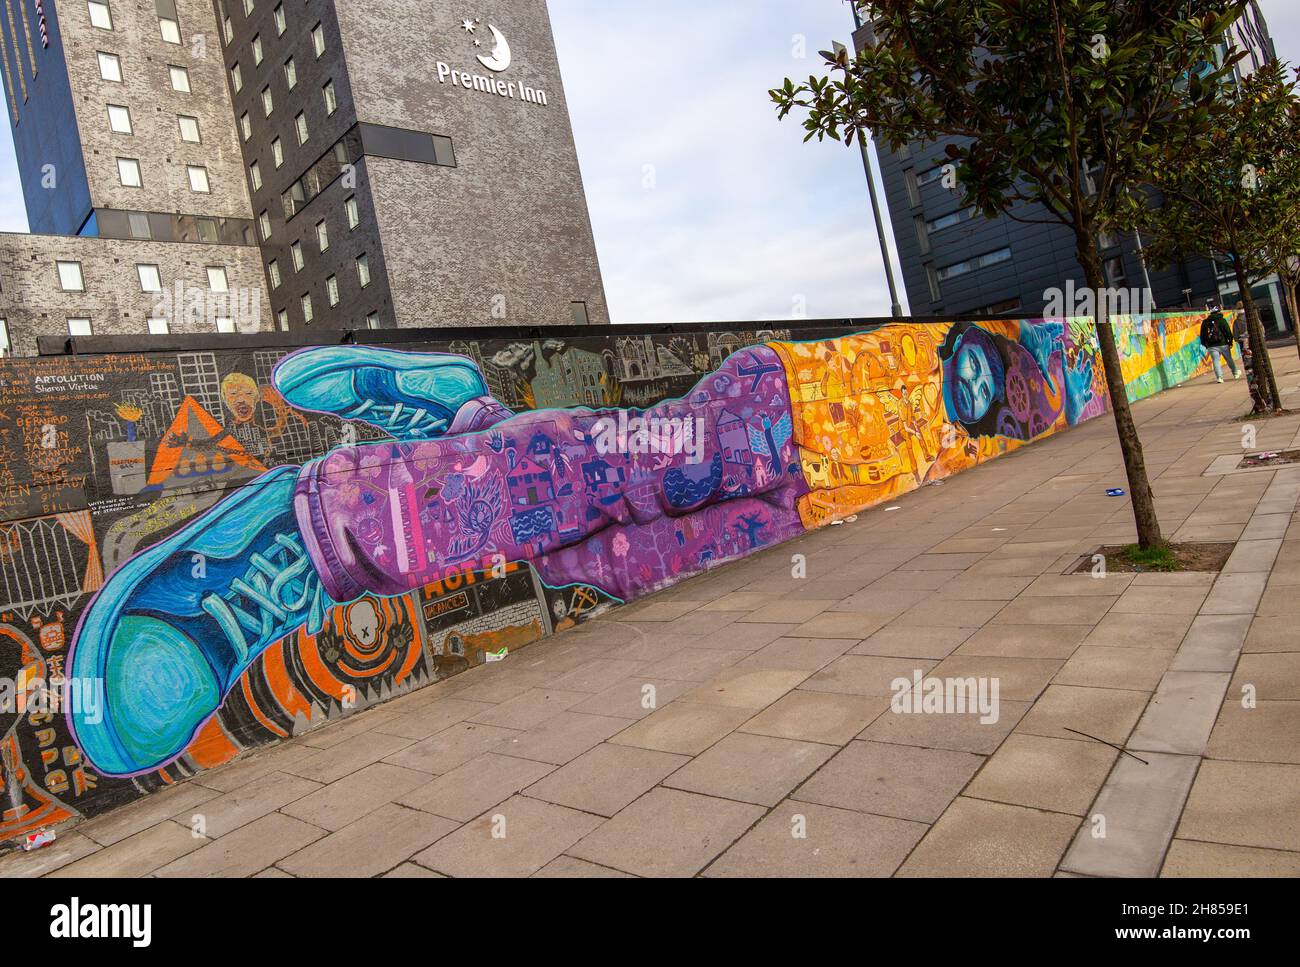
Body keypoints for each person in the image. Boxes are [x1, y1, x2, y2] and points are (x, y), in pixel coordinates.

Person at [1200, 302, 1240, 383]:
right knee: (1229, 359)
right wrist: (1230, 341)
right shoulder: (1222, 320)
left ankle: (1219, 378)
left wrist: (1205, 344)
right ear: (1218, 311)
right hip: (1223, 343)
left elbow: (1202, 334)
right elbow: (1228, 331)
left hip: (1211, 345)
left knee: (1215, 361)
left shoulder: (1205, 322)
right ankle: (1235, 373)